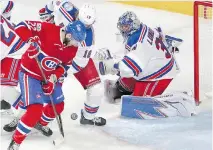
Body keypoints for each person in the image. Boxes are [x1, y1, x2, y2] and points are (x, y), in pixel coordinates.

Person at [98, 11, 196, 117]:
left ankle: (179, 103)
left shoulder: (139, 43)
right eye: (122, 27)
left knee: (138, 104)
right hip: (150, 65)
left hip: (160, 73)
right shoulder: (142, 29)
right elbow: (160, 35)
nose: (123, 29)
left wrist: (112, 67)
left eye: (126, 26)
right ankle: (124, 91)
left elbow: (130, 69)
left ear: (133, 25)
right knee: (122, 84)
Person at [7, 20, 86, 150]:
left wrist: (52, 79)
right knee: (35, 110)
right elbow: (21, 26)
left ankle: (39, 123)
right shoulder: (47, 29)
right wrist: (30, 41)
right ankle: (15, 142)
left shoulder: (72, 48)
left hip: (47, 77)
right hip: (30, 73)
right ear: (69, 35)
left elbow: (64, 66)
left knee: (59, 105)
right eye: (75, 41)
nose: (75, 44)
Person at [39, 1, 106, 126]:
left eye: (86, 26)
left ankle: (88, 117)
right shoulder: (66, 8)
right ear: (77, 15)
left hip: (72, 60)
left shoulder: (88, 40)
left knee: (96, 89)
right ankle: (25, 107)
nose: (82, 27)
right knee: (34, 76)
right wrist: (46, 12)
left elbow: (78, 65)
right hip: (53, 46)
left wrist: (61, 69)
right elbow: (54, 2)